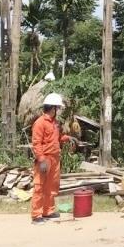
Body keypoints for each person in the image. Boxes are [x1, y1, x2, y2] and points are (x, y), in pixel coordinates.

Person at [31, 93, 74, 224]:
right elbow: (36, 143)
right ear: (53, 108)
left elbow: (57, 138)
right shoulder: (40, 123)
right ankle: (36, 215)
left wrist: (67, 138)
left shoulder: (55, 123)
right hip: (45, 159)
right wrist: (41, 160)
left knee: (52, 187)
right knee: (40, 187)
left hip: (55, 159)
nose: (59, 110)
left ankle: (48, 211)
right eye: (58, 108)